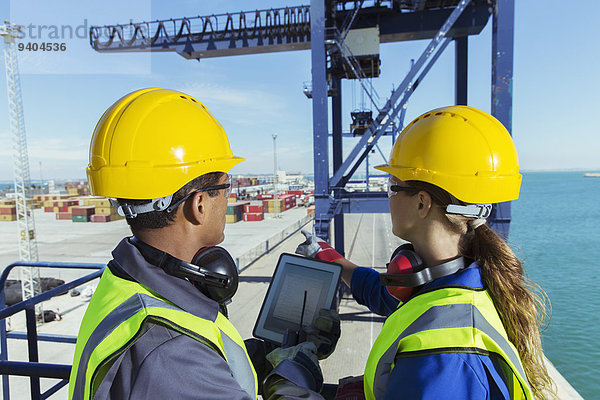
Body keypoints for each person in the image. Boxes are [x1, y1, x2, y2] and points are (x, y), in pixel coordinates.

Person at [68, 88, 329, 400]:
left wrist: (269, 355)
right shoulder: (168, 351)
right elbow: (179, 367)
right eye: (226, 186)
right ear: (200, 205)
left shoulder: (125, 283)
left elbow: (194, 367)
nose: (230, 196)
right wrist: (294, 376)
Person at [297, 106, 555, 399]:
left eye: (392, 187)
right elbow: (384, 293)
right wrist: (327, 255)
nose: (388, 198)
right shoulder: (460, 279)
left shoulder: (443, 357)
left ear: (422, 203)